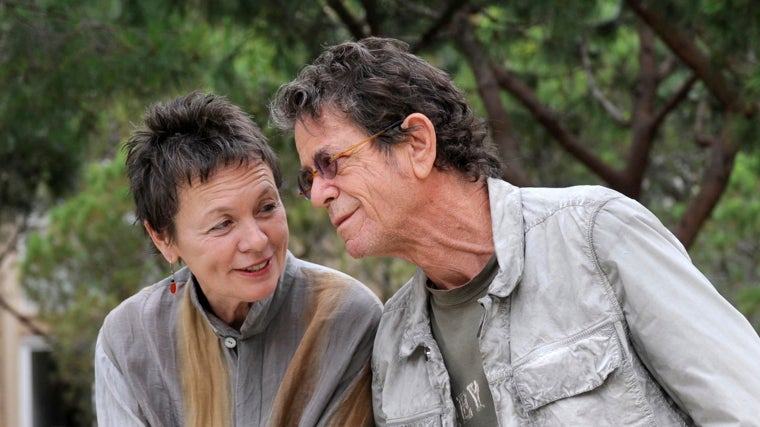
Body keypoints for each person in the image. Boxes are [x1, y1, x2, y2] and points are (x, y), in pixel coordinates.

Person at [269, 37, 760, 426]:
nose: (318, 195)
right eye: (308, 178)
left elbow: (744, 406)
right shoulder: (393, 345)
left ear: (417, 143)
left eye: (330, 163)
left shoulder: (594, 235)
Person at [94, 91, 382, 427]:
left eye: (267, 208)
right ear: (163, 238)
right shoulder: (131, 337)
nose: (257, 241)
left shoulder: (346, 315)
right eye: (222, 224)